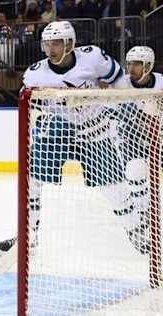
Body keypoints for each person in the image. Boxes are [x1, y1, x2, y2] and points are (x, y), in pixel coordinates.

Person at [21, 21, 133, 250]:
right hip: (60, 129)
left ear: (70, 44)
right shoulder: (35, 74)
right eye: (47, 44)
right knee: (31, 180)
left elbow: (120, 80)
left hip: (95, 128)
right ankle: (28, 233)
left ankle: (136, 229)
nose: (51, 49)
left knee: (114, 188)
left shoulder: (92, 58)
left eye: (56, 44)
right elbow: (28, 105)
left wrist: (118, 105)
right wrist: (41, 118)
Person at [110, 46, 163, 253]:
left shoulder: (160, 82)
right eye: (129, 63)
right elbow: (111, 109)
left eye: (136, 64)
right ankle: (143, 215)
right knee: (135, 171)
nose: (131, 68)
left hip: (158, 134)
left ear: (147, 66)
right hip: (130, 136)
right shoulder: (120, 84)